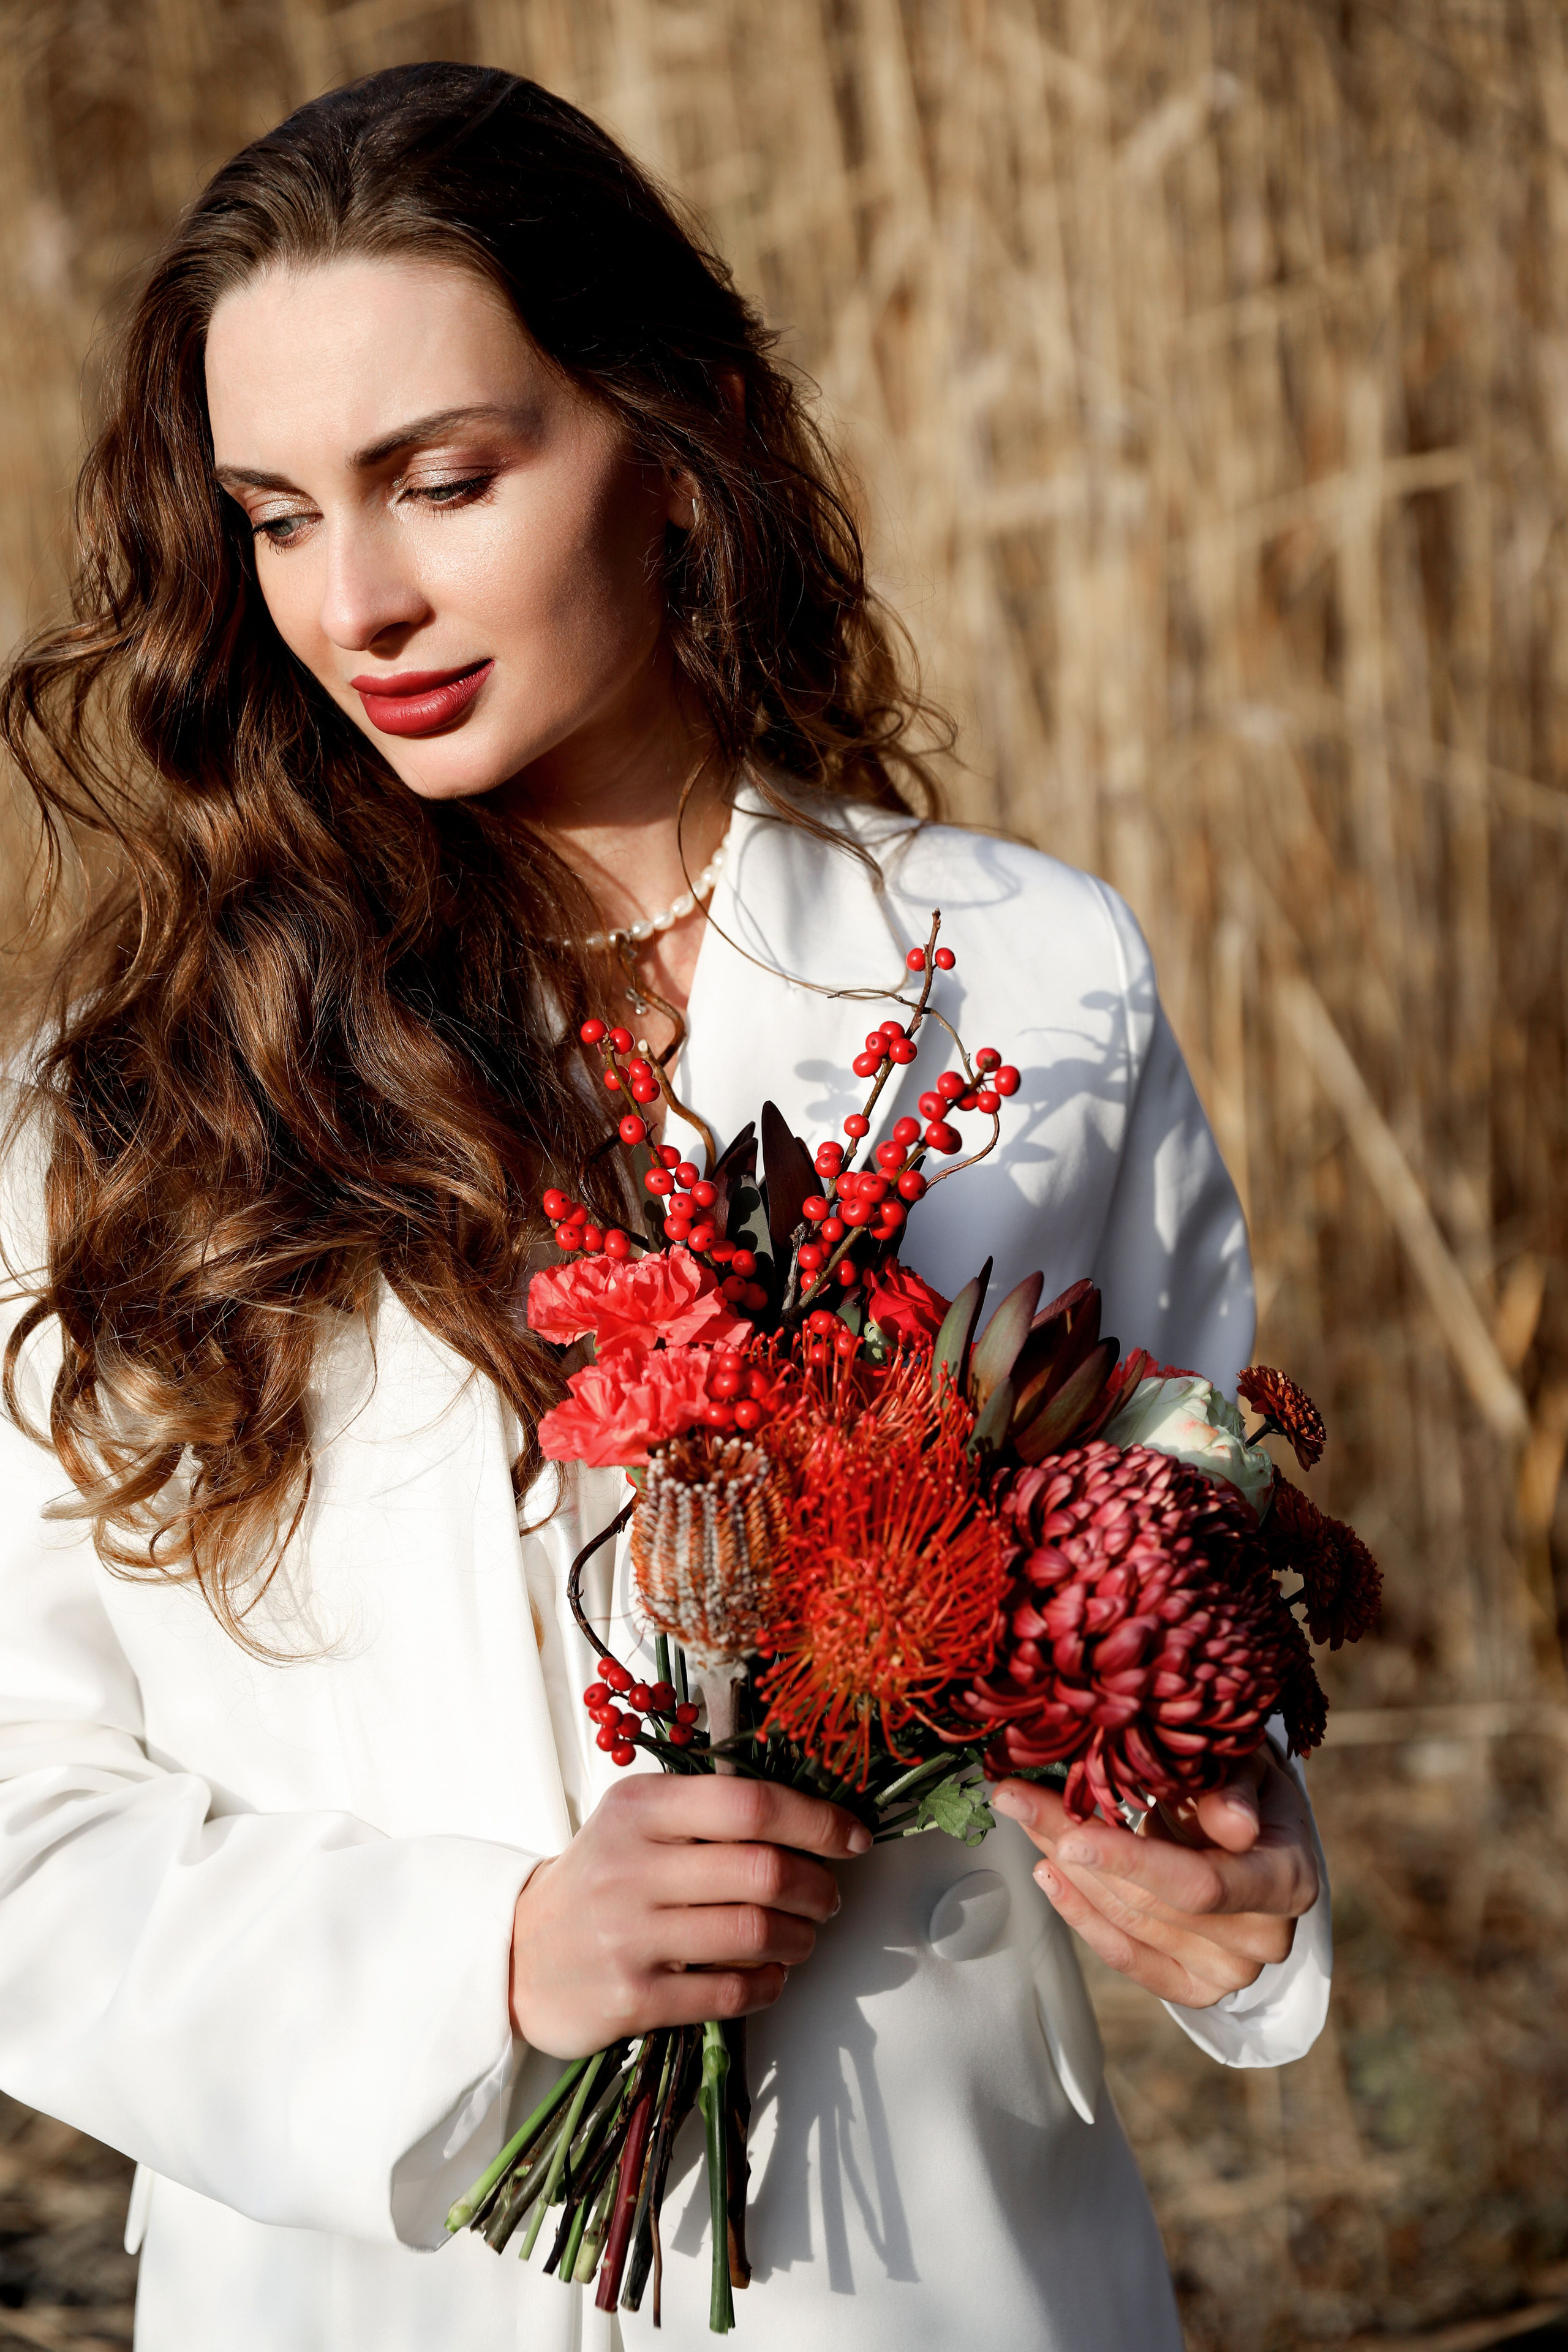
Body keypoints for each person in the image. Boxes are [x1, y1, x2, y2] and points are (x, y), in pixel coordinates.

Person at [0, 63, 1328, 2352]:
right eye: (281, 517)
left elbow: (1188, 1581)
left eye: (444, 479)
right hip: (364, 2297)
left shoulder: (1023, 979)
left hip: (925, 2282)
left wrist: (1245, 1899)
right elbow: (27, 1820)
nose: (362, 602)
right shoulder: (131, 1108)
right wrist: (492, 1959)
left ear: (678, 430)